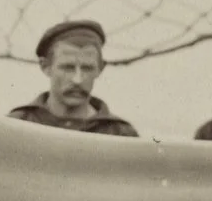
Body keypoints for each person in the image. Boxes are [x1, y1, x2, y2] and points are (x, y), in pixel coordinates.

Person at [7, 19, 139, 136]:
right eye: (67, 68)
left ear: (100, 69)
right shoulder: (16, 125)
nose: (78, 79)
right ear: (45, 66)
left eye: (87, 68)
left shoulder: (120, 134)